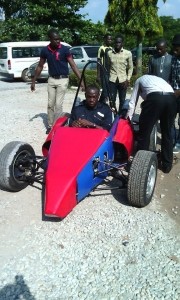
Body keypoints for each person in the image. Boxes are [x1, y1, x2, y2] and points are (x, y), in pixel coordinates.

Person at [31, 28, 84, 134]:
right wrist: (33, 81)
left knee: (58, 104)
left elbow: (73, 65)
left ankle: (57, 126)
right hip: (51, 80)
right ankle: (50, 125)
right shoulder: (45, 50)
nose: (58, 41)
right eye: (55, 39)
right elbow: (40, 66)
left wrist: (81, 81)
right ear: (50, 39)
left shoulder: (65, 50)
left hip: (63, 79)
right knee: (50, 104)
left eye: (59, 39)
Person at [127, 74, 177, 173]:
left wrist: (128, 119)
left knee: (144, 133)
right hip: (171, 99)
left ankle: (140, 166)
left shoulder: (138, 80)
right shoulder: (159, 80)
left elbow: (132, 102)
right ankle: (167, 166)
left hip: (155, 98)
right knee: (167, 133)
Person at [108, 34, 133, 115]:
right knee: (112, 99)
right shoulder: (109, 53)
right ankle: (113, 115)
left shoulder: (128, 53)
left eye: (119, 42)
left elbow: (130, 67)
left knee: (122, 100)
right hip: (112, 80)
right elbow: (107, 67)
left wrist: (128, 79)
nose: (117, 44)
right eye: (116, 42)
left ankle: (120, 116)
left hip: (123, 80)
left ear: (122, 43)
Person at [170, 34, 180, 153]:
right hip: (173, 94)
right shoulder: (173, 59)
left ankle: (178, 142)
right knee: (170, 118)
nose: (174, 50)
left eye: (177, 48)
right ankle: (171, 140)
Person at [96, 33, 112, 103]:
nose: (110, 40)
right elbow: (98, 62)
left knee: (108, 90)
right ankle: (101, 103)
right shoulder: (101, 48)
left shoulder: (111, 48)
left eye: (111, 39)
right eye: (108, 39)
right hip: (104, 72)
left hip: (110, 72)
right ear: (105, 39)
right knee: (105, 91)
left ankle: (100, 103)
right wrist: (98, 75)